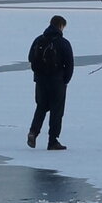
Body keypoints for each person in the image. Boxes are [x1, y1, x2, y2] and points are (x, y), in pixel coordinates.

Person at [26, 14, 73, 150]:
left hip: (40, 81)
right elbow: (69, 64)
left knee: (41, 107)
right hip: (57, 81)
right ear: (61, 26)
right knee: (56, 111)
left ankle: (33, 132)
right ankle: (53, 141)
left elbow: (30, 58)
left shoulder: (38, 40)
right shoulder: (63, 43)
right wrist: (65, 80)